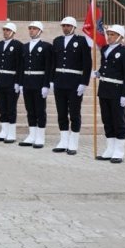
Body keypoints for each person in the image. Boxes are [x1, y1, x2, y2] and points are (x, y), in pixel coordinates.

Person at [51, 16, 92, 155]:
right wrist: (51, 80)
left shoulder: (81, 41)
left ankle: (73, 142)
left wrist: (84, 82)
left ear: (74, 27)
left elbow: (87, 63)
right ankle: (63, 141)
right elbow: (53, 63)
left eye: (68, 26)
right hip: (59, 82)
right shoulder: (57, 41)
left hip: (74, 82)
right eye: (63, 25)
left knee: (74, 113)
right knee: (61, 113)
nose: (65, 28)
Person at [96, 24, 125, 164]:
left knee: (118, 121)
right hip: (104, 89)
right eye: (109, 34)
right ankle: (109, 149)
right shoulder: (105, 49)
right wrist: (98, 73)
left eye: (113, 34)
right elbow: (105, 66)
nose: (109, 37)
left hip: (118, 91)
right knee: (107, 120)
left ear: (120, 36)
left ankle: (119, 151)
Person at [18, 21, 52, 148]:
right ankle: (32, 135)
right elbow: (21, 66)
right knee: (30, 110)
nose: (31, 30)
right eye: (30, 28)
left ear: (40, 31)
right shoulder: (25, 46)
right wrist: (21, 83)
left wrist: (46, 84)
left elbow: (48, 67)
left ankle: (40, 136)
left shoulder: (46, 46)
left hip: (39, 82)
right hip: (27, 81)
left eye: (34, 28)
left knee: (40, 110)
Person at [0, 22, 22, 143]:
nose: (5, 32)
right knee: (2, 107)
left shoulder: (18, 45)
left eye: (8, 30)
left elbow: (20, 65)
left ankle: (12, 133)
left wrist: (17, 82)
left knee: (11, 107)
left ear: (13, 32)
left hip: (11, 80)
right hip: (0, 80)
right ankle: (4, 131)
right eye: (4, 30)